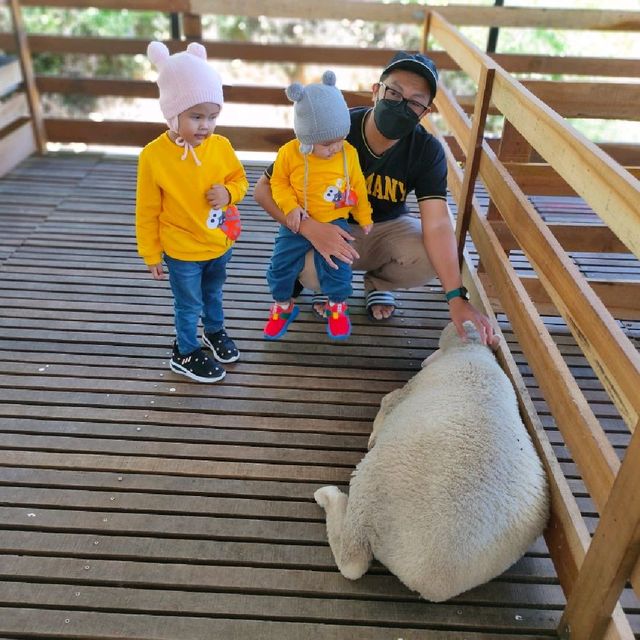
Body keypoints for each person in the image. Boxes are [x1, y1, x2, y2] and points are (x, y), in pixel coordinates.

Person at [254, 51, 494, 344]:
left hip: (386, 226)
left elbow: (438, 224)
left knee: (430, 258)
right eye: (394, 91)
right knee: (309, 272)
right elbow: (263, 189)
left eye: (415, 101)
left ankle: (377, 284)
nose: (401, 104)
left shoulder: (426, 149)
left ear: (425, 112)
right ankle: (327, 291)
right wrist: (309, 229)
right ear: (376, 91)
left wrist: (456, 297)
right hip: (326, 222)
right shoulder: (336, 128)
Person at [136, 41, 248, 383]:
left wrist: (228, 194)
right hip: (181, 249)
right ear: (173, 113)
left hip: (217, 243)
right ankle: (184, 351)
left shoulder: (221, 147)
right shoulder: (153, 157)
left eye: (213, 116)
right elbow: (147, 210)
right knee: (188, 304)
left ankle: (214, 331)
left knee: (214, 293)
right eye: (196, 116)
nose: (205, 126)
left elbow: (240, 180)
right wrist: (151, 252)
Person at [264, 71, 372, 341]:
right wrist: (289, 207)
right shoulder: (289, 153)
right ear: (305, 137)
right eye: (326, 144)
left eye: (340, 139)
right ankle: (283, 306)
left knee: (338, 266)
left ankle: (337, 307)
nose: (335, 148)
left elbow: (357, 185)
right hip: (298, 221)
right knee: (280, 264)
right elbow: (278, 183)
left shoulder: (348, 153)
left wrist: (364, 214)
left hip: (335, 220)